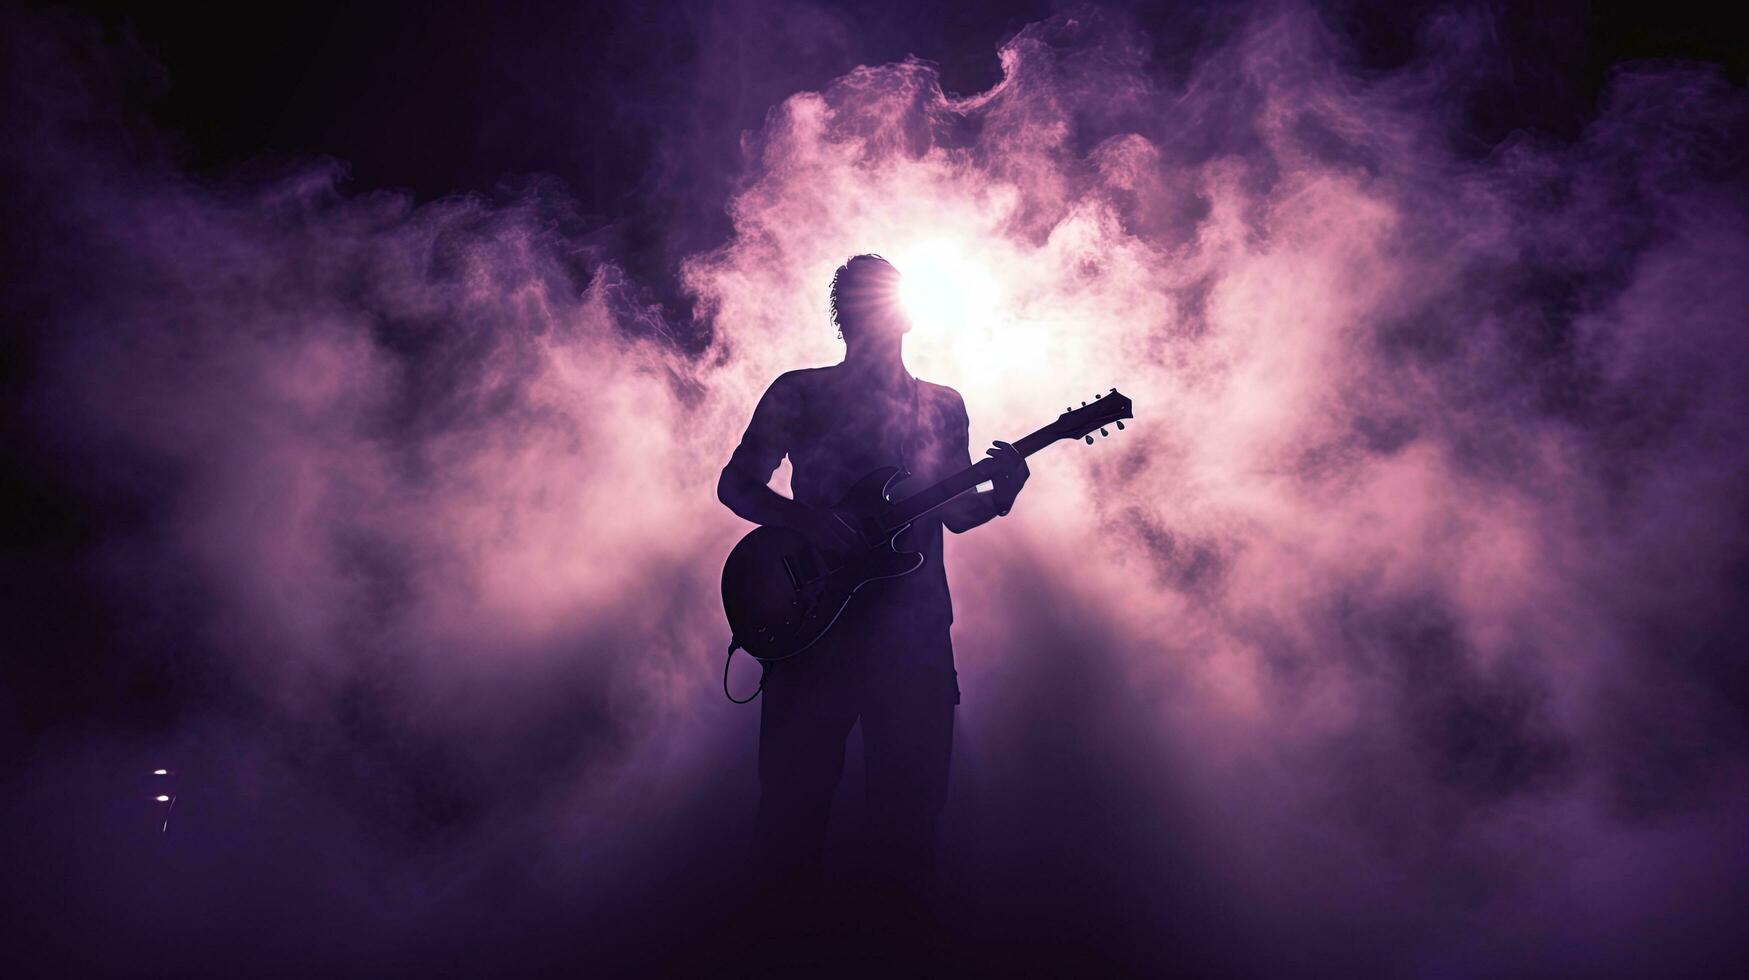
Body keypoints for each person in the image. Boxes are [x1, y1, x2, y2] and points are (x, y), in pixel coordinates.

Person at [716, 254, 1029, 953]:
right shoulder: (800, 392)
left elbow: (954, 515)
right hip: (814, 634)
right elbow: (736, 486)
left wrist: (1001, 496)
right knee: (791, 819)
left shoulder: (941, 404)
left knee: (910, 822)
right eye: (865, 304)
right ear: (845, 315)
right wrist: (806, 523)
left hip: (912, 639)